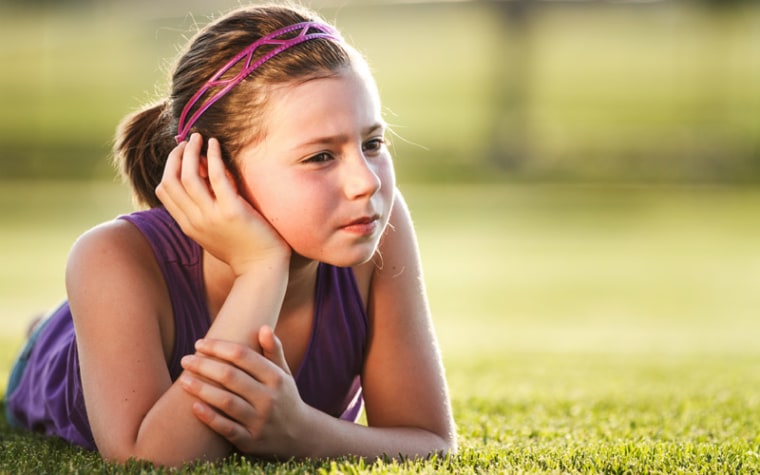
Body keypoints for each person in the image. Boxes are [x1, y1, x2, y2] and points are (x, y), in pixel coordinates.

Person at [3, 2, 456, 467]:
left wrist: (303, 432)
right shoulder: (112, 255)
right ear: (213, 171)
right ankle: (51, 331)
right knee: (68, 333)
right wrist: (261, 270)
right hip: (54, 364)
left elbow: (430, 442)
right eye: (320, 156)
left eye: (373, 144)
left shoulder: (377, 221)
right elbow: (151, 461)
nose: (368, 182)